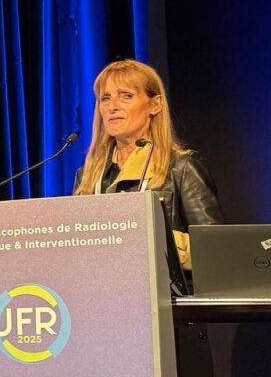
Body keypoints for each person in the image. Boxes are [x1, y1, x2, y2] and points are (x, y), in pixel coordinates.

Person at [72, 59, 222, 273]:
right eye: (105, 98)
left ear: (155, 105)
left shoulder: (182, 168)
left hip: (164, 291)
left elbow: (216, 252)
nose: (113, 106)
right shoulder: (88, 176)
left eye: (126, 96)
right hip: (103, 289)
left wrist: (152, 240)